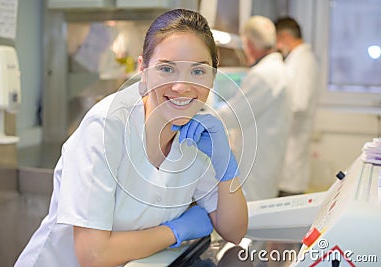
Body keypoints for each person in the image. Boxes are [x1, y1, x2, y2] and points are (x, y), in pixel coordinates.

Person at [15, 9, 248, 267]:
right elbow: (92, 254)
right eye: (167, 69)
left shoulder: (198, 134)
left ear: (213, 77)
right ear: (143, 70)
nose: (181, 86)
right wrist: (174, 232)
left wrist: (226, 164)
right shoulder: (106, 127)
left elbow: (234, 231)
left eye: (198, 71)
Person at [216, 16, 292, 201]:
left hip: (256, 165)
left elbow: (233, 115)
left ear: (248, 44)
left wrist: (199, 115)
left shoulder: (263, 75)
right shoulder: (278, 70)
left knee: (251, 219)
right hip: (265, 160)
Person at [275, 17, 319, 196]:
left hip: (293, 142)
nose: (277, 47)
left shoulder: (303, 61)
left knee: (288, 196)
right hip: (288, 142)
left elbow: (298, 103)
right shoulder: (296, 59)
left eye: (277, 40)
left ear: (284, 36)